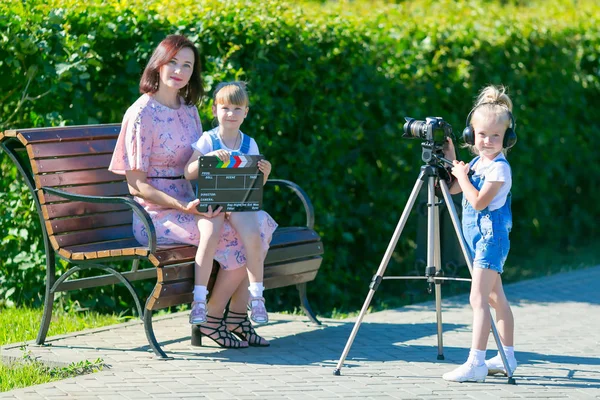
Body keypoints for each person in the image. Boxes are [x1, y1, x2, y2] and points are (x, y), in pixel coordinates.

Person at [109, 35, 269, 348]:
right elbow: (136, 185)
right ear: (158, 63)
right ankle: (212, 319)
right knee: (236, 237)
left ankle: (236, 317)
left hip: (195, 203)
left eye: (187, 65)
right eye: (173, 62)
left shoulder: (188, 109)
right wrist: (183, 207)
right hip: (155, 214)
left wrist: (242, 181)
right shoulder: (141, 114)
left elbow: (204, 164)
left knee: (259, 224)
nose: (179, 70)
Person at [184, 81, 277, 332]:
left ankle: (257, 296)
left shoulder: (249, 144)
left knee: (254, 235)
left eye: (237, 109)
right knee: (210, 235)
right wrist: (207, 159)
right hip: (212, 204)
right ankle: (199, 299)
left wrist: (264, 173)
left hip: (238, 204)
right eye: (225, 108)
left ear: (246, 112)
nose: (231, 114)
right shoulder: (208, 140)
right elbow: (188, 172)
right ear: (215, 110)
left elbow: (254, 184)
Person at [441, 85, 518, 382]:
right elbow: (452, 189)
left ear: (507, 139)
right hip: (478, 240)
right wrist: (451, 162)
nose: (487, 141)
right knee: (497, 298)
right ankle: (507, 358)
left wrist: (462, 175)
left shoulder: (499, 169)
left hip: (491, 240)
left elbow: (478, 201)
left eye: (495, 136)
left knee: (479, 298)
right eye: (481, 135)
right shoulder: (475, 163)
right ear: (470, 135)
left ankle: (476, 363)